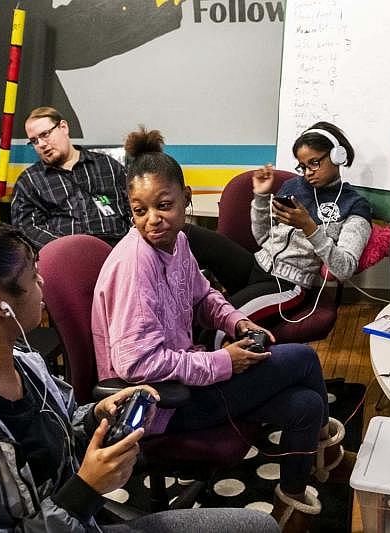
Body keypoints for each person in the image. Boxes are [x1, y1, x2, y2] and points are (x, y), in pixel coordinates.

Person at [0, 179, 278, 533]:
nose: (43, 284)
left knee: (258, 527)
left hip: (80, 519)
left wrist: (95, 413)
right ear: (1, 305)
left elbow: (58, 422)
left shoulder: (21, 359)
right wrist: (84, 490)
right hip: (76, 514)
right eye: (33, 277)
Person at [91, 128, 355, 532]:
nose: (153, 220)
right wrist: (221, 362)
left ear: (186, 200)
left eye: (164, 206)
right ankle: (328, 452)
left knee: (305, 404)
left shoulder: (176, 243)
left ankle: (295, 500)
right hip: (161, 406)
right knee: (303, 358)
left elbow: (202, 296)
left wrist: (237, 321)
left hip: (189, 377)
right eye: (139, 210)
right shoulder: (135, 265)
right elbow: (137, 364)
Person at [186, 122, 372, 344]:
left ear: (337, 155)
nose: (308, 173)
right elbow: (264, 237)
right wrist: (262, 197)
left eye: (315, 163)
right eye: (303, 167)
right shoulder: (294, 187)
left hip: (287, 284)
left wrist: (309, 227)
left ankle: (205, 369)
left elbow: (344, 268)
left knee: (217, 322)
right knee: (189, 233)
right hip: (256, 264)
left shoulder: (354, 205)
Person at [11, 106, 132, 249]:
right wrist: (67, 248)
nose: (41, 144)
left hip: (118, 249)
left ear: (63, 127)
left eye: (45, 134)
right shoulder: (29, 182)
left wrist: (130, 243)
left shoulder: (108, 166)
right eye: (34, 141)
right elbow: (27, 229)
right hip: (67, 257)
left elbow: (134, 206)